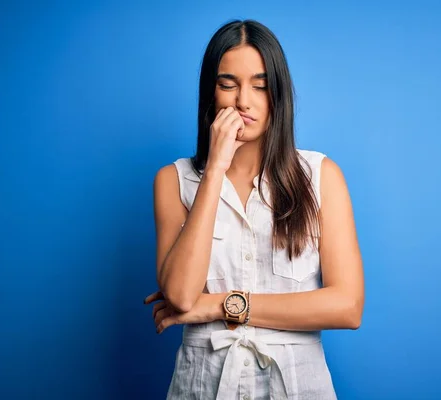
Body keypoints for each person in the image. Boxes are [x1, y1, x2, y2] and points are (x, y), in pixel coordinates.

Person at [144, 19, 364, 400]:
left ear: (277, 95)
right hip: (201, 388)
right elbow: (179, 295)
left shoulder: (320, 176)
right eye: (228, 84)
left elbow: (347, 306)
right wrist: (215, 169)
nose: (243, 100)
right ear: (210, 93)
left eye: (259, 86)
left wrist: (220, 306)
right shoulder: (173, 180)